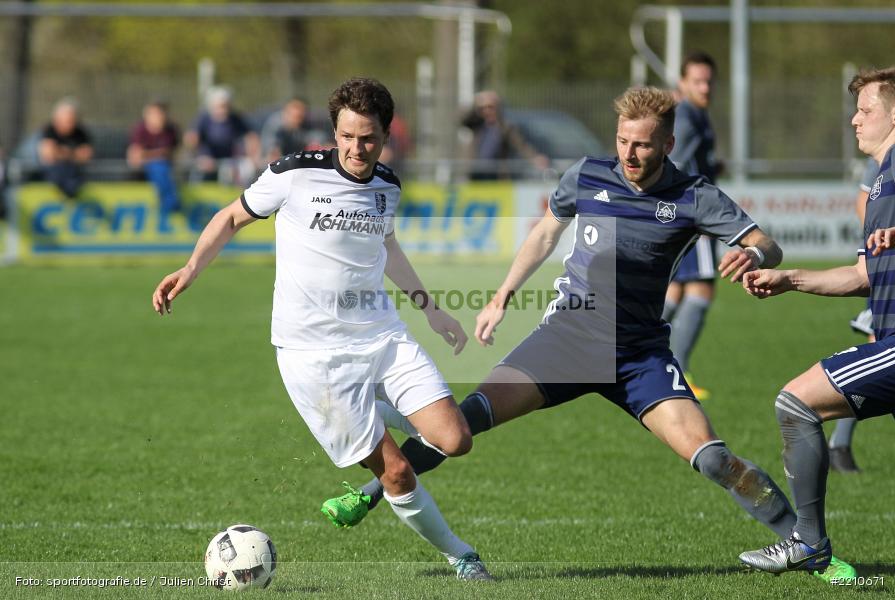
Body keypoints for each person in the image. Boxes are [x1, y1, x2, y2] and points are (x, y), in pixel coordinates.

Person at [323, 86, 855, 582]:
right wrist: (501, 297)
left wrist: (755, 254)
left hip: (638, 356)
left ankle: (810, 548)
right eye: (623, 141)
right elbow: (544, 233)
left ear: (668, 144)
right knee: (463, 421)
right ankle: (370, 493)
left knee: (714, 458)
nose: (630, 154)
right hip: (566, 341)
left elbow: (768, 243)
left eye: (643, 145)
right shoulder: (586, 176)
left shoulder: (694, 195)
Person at [152, 77, 492, 581]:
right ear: (334, 132)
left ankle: (374, 410)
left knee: (455, 437)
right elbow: (229, 218)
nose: (357, 148)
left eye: (368, 138)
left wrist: (431, 308)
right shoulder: (292, 174)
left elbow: (387, 247)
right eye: (348, 136)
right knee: (396, 471)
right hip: (313, 355)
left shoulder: (388, 187)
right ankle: (460, 555)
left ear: (386, 135)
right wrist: (190, 269)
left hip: (381, 335)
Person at [738, 66, 895, 576]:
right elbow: (860, 276)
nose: (854, 120)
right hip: (889, 334)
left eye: (865, 110)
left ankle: (808, 542)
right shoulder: (880, 186)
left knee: (797, 401)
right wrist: (789, 280)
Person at [662, 51, 724, 401]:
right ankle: (679, 370)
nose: (705, 87)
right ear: (682, 84)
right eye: (697, 81)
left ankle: (633, 350)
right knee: (702, 288)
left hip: (684, 213)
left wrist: (714, 166)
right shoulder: (686, 116)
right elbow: (675, 164)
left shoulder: (694, 114)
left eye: (709, 81)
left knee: (675, 291)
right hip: (693, 214)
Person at [829, 157, 880, 473]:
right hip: (892, 276)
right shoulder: (889, 151)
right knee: (878, 357)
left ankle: (839, 443)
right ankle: (839, 443)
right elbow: (865, 204)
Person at [461, 90, 548, 180]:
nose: (487, 111)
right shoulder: (477, 125)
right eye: (483, 108)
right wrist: (476, 102)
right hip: (476, 173)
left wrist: (534, 157)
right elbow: (462, 120)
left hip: (496, 176)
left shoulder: (505, 127)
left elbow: (521, 146)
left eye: (490, 107)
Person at [184, 86, 260, 184]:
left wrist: (254, 156)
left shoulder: (235, 119)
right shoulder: (203, 119)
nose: (223, 110)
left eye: (226, 106)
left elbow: (251, 136)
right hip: (207, 158)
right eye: (221, 106)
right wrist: (199, 155)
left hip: (230, 160)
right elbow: (191, 139)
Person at [127, 101, 181, 228]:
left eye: (161, 114)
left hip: (166, 169)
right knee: (158, 167)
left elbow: (172, 154)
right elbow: (135, 157)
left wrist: (149, 155)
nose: (159, 117)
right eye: (155, 114)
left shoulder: (171, 130)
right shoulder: (139, 130)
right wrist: (158, 154)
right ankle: (170, 202)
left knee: (160, 167)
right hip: (142, 171)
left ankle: (169, 202)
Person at [38, 97, 93, 198]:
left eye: (72, 120)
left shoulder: (80, 133)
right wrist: (73, 154)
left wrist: (60, 152)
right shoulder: (49, 131)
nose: (69, 124)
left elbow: (86, 156)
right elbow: (48, 155)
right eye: (67, 120)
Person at [260, 97, 328, 162]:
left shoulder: (306, 125)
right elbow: (272, 152)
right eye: (295, 115)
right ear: (286, 112)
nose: (298, 114)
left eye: (300, 115)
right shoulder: (275, 125)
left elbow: (318, 138)